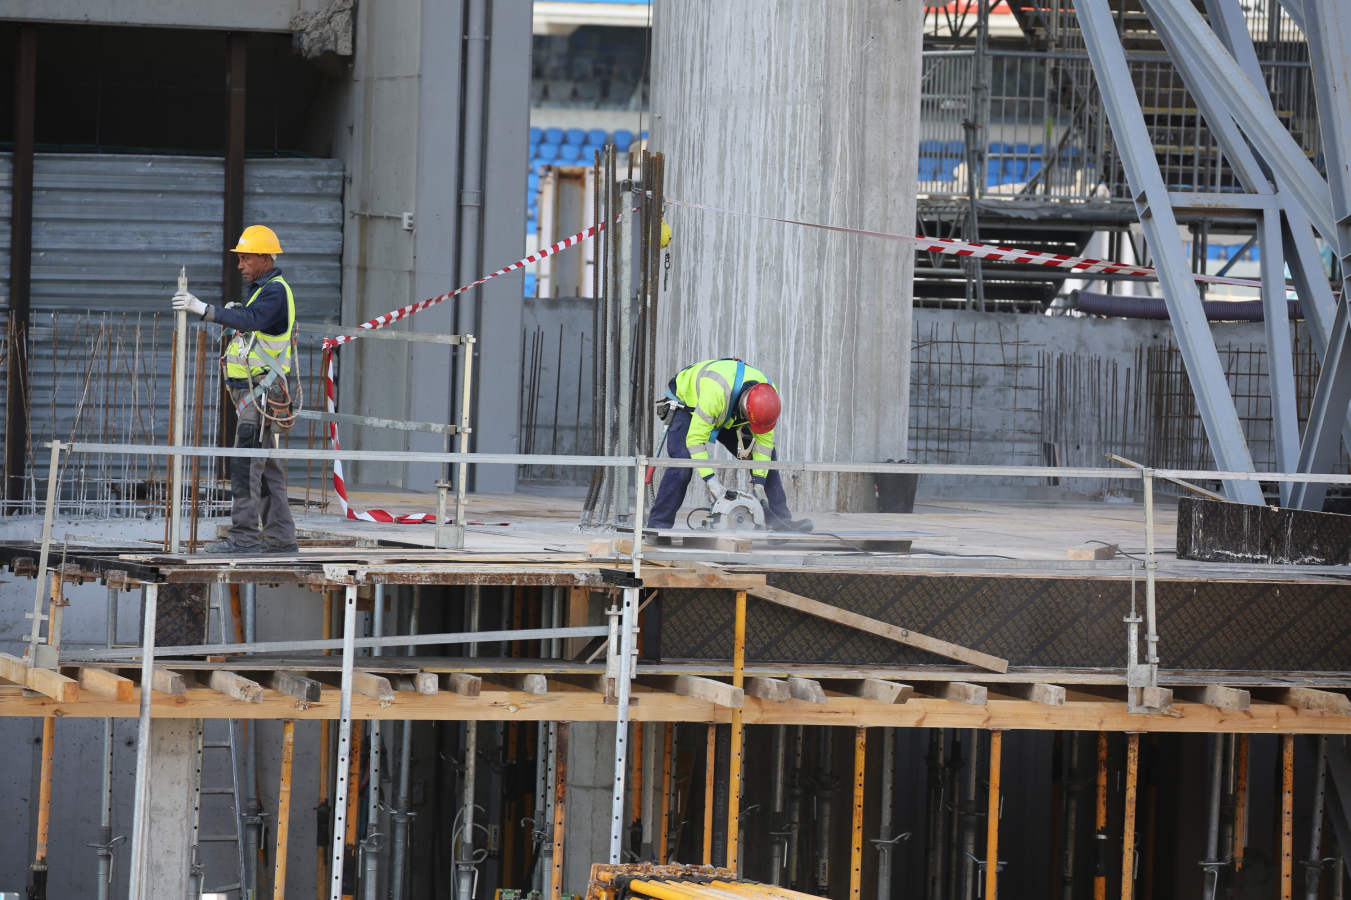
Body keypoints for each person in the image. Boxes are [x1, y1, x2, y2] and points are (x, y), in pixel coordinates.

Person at [172, 225, 298, 554]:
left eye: (245, 258)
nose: (240, 265)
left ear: (264, 258)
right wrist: (237, 311)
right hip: (255, 394)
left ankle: (242, 539)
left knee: (244, 466)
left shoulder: (274, 292)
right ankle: (282, 540)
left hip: (260, 394)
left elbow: (253, 321)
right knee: (266, 469)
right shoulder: (264, 290)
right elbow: (253, 319)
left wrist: (205, 309)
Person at [648, 358, 812, 532]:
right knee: (682, 463)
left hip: (729, 413)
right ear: (746, 409)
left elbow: (764, 445)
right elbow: (695, 440)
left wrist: (759, 483)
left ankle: (780, 523)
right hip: (688, 405)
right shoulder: (716, 392)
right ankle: (658, 527)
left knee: (767, 458)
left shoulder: (768, 397)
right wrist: (712, 482)